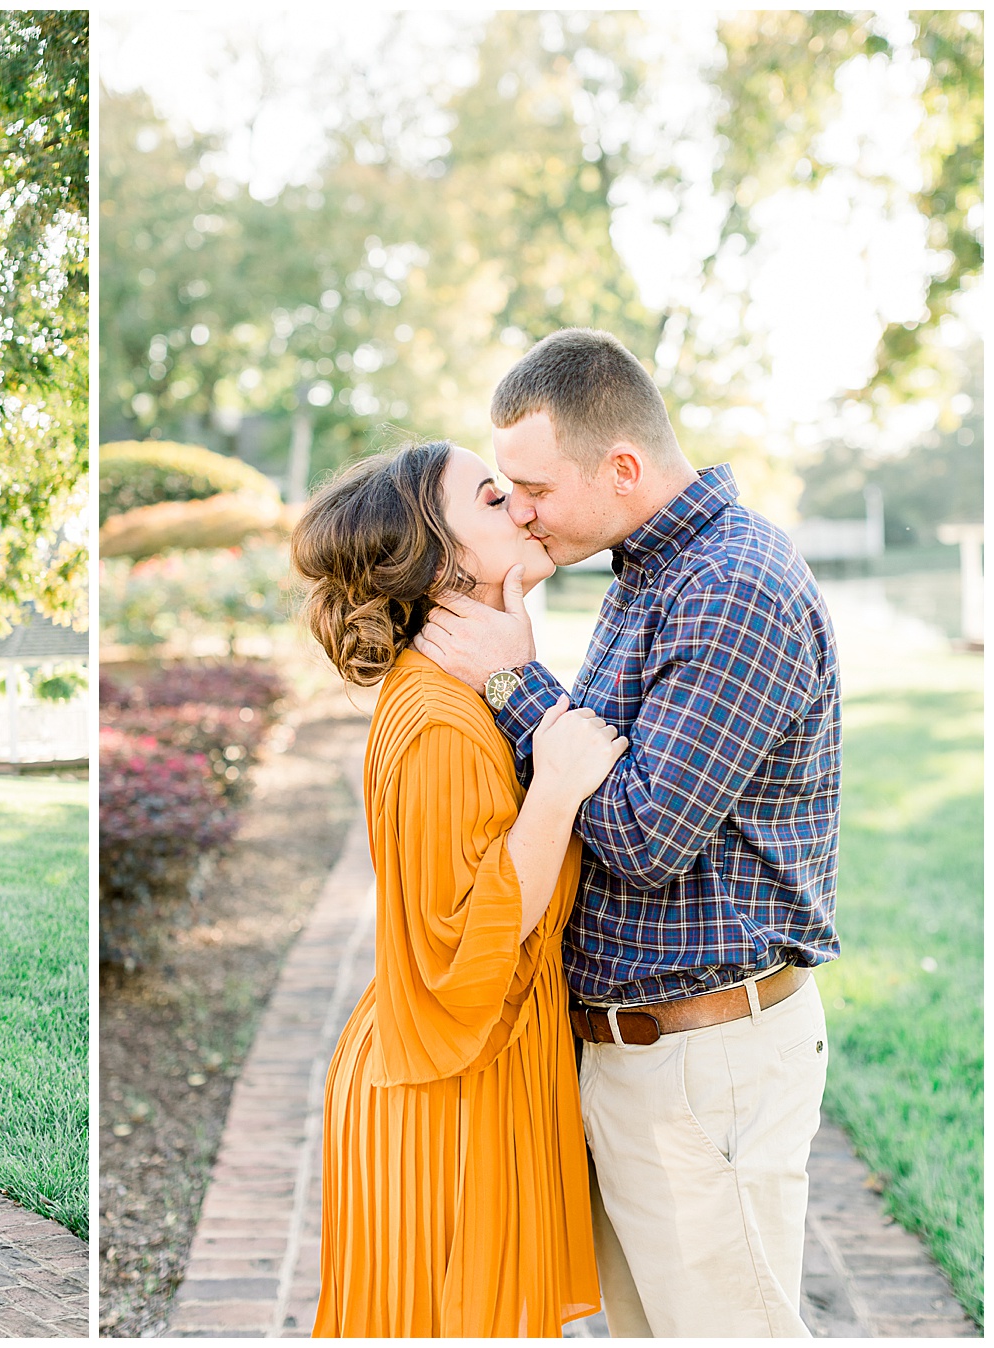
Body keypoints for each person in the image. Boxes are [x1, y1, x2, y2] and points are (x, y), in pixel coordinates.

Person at [415, 327, 841, 1337]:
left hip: (706, 1066)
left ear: (621, 467)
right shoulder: (647, 572)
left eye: (535, 488)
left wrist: (513, 679)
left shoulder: (732, 586)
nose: (520, 510)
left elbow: (647, 835)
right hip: (636, 1059)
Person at [294, 440, 627, 1336]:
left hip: (467, 1073)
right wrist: (556, 787)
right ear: (440, 563)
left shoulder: (465, 690)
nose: (522, 506)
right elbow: (466, 938)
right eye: (490, 497)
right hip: (443, 1094)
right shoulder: (439, 718)